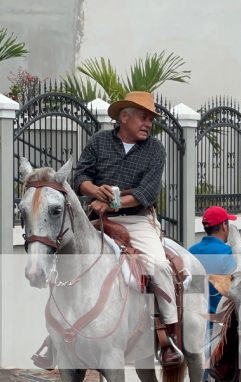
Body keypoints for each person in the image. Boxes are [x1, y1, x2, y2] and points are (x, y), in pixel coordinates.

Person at [73, 91, 183, 366]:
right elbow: (80, 177)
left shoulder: (155, 149)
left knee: (158, 265)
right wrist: (95, 191)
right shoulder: (99, 141)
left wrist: (110, 204)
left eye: (151, 120)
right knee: (64, 259)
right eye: (143, 118)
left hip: (136, 220)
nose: (148, 124)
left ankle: (169, 336)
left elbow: (146, 192)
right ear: (124, 117)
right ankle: (58, 334)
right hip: (94, 219)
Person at [188, 206, 238, 382]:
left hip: (192, 327)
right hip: (218, 330)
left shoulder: (190, 252)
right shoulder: (229, 254)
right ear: (224, 227)